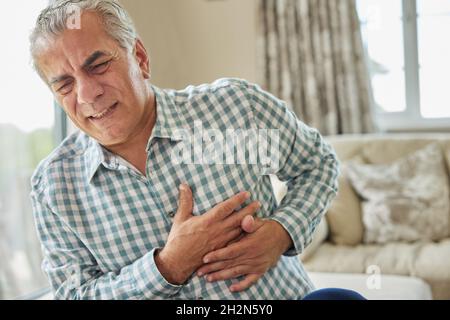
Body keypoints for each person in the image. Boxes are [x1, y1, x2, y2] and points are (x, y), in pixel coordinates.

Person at [29, 0, 362, 300]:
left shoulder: (236, 106)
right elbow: (74, 295)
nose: (87, 94)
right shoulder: (53, 186)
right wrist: (168, 266)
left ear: (140, 58)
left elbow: (318, 164)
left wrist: (282, 232)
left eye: (98, 64)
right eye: (65, 84)